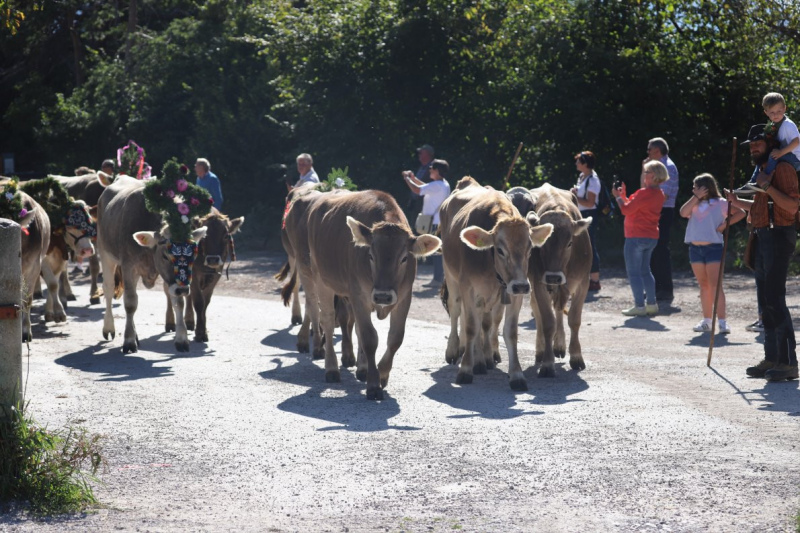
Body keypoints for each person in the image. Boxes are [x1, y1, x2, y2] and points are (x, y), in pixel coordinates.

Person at [725, 124, 799, 381]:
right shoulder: (761, 171)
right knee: (765, 300)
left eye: (758, 144)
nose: (754, 148)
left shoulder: (785, 168)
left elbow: (791, 206)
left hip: (780, 234)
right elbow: (759, 205)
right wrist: (735, 201)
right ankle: (771, 358)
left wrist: (768, 188)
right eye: (751, 145)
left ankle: (789, 362)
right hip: (762, 236)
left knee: (775, 298)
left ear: (770, 144)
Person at [679, 173, 745, 334]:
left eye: (696, 187)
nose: (693, 189)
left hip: (713, 248)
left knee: (716, 285)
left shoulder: (721, 203)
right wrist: (695, 197)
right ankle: (707, 321)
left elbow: (741, 212)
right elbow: (682, 212)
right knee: (703, 285)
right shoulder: (693, 203)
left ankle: (722, 322)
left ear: (705, 188)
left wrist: (724, 225)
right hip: (695, 248)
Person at [612, 160, 667, 317]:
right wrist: (622, 195)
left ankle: (639, 306)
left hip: (635, 236)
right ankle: (651, 304)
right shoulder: (659, 193)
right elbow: (633, 205)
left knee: (634, 273)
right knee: (645, 271)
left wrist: (617, 197)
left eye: (647, 172)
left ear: (654, 175)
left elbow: (626, 210)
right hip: (650, 236)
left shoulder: (645, 193)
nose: (644, 175)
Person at [643, 137, 679, 305]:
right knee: (652, 249)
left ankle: (664, 289)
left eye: (649, 149)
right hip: (655, 210)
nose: (648, 153)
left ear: (657, 151)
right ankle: (655, 288)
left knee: (660, 250)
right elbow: (645, 189)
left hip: (663, 212)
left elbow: (662, 196)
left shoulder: (668, 168)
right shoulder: (655, 168)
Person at [403, 159, 450, 285]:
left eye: (432, 168)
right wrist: (413, 178)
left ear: (437, 171)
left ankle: (437, 279)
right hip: (437, 221)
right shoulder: (442, 184)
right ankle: (438, 278)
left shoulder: (436, 185)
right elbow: (424, 186)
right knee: (437, 249)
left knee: (436, 250)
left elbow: (417, 190)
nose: (429, 170)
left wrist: (407, 178)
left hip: (433, 222)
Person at [569, 150, 602, 292]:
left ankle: (595, 280)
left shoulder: (593, 180)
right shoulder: (582, 176)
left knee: (590, 246)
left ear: (585, 164)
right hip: (581, 214)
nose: (576, 163)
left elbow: (590, 203)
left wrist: (574, 196)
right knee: (580, 246)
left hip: (589, 214)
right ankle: (585, 277)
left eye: (578, 161)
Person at [405, 144, 435, 219]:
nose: (419, 154)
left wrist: (407, 178)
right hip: (415, 204)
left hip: (424, 206)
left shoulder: (433, 168)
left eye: (422, 152)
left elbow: (426, 186)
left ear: (428, 154)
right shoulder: (422, 167)